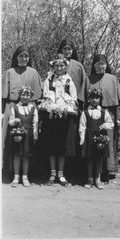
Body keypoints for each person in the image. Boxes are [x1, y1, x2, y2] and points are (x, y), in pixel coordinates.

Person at [2, 45, 42, 172]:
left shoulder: (33, 72)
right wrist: (3, 112)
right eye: (21, 56)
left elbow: (37, 95)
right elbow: (3, 95)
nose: (24, 58)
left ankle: (28, 171)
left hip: (29, 108)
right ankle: (10, 170)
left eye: (26, 56)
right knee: (10, 138)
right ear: (16, 57)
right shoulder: (10, 72)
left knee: (29, 139)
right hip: (12, 106)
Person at [40, 54, 78, 186]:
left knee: (62, 147)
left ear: (65, 66)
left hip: (64, 118)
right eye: (56, 65)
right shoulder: (48, 80)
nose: (59, 67)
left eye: (62, 65)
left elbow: (73, 99)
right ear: (53, 66)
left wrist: (65, 108)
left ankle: (61, 174)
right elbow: (45, 98)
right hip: (51, 117)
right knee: (52, 146)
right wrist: (52, 107)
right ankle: (52, 174)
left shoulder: (69, 81)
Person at [89, 54, 120, 183]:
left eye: (103, 64)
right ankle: (94, 172)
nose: (100, 66)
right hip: (93, 113)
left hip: (110, 113)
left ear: (106, 65)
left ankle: (108, 171)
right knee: (94, 140)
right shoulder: (90, 79)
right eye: (98, 64)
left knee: (108, 141)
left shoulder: (113, 79)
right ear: (94, 66)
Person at [79, 89, 114, 189]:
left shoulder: (104, 112)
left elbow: (111, 123)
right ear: (89, 99)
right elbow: (82, 126)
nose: (94, 100)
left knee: (98, 159)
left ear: (100, 99)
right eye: (92, 98)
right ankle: (89, 179)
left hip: (100, 139)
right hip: (89, 138)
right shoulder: (85, 112)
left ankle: (97, 179)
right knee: (89, 159)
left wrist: (106, 125)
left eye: (97, 98)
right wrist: (82, 139)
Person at [8, 86, 38, 187]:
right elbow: (10, 122)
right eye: (23, 94)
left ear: (31, 96)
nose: (25, 97)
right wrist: (14, 121)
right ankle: (16, 176)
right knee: (17, 155)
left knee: (26, 156)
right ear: (20, 95)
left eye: (27, 95)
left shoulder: (33, 109)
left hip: (28, 136)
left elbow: (35, 124)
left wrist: (35, 137)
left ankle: (25, 176)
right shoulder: (15, 108)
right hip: (17, 135)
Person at [57, 38, 90, 111]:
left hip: (75, 102)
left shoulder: (78, 66)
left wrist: (79, 100)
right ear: (61, 50)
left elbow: (84, 83)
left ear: (73, 50)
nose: (67, 51)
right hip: (58, 102)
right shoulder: (56, 64)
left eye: (69, 49)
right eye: (65, 49)